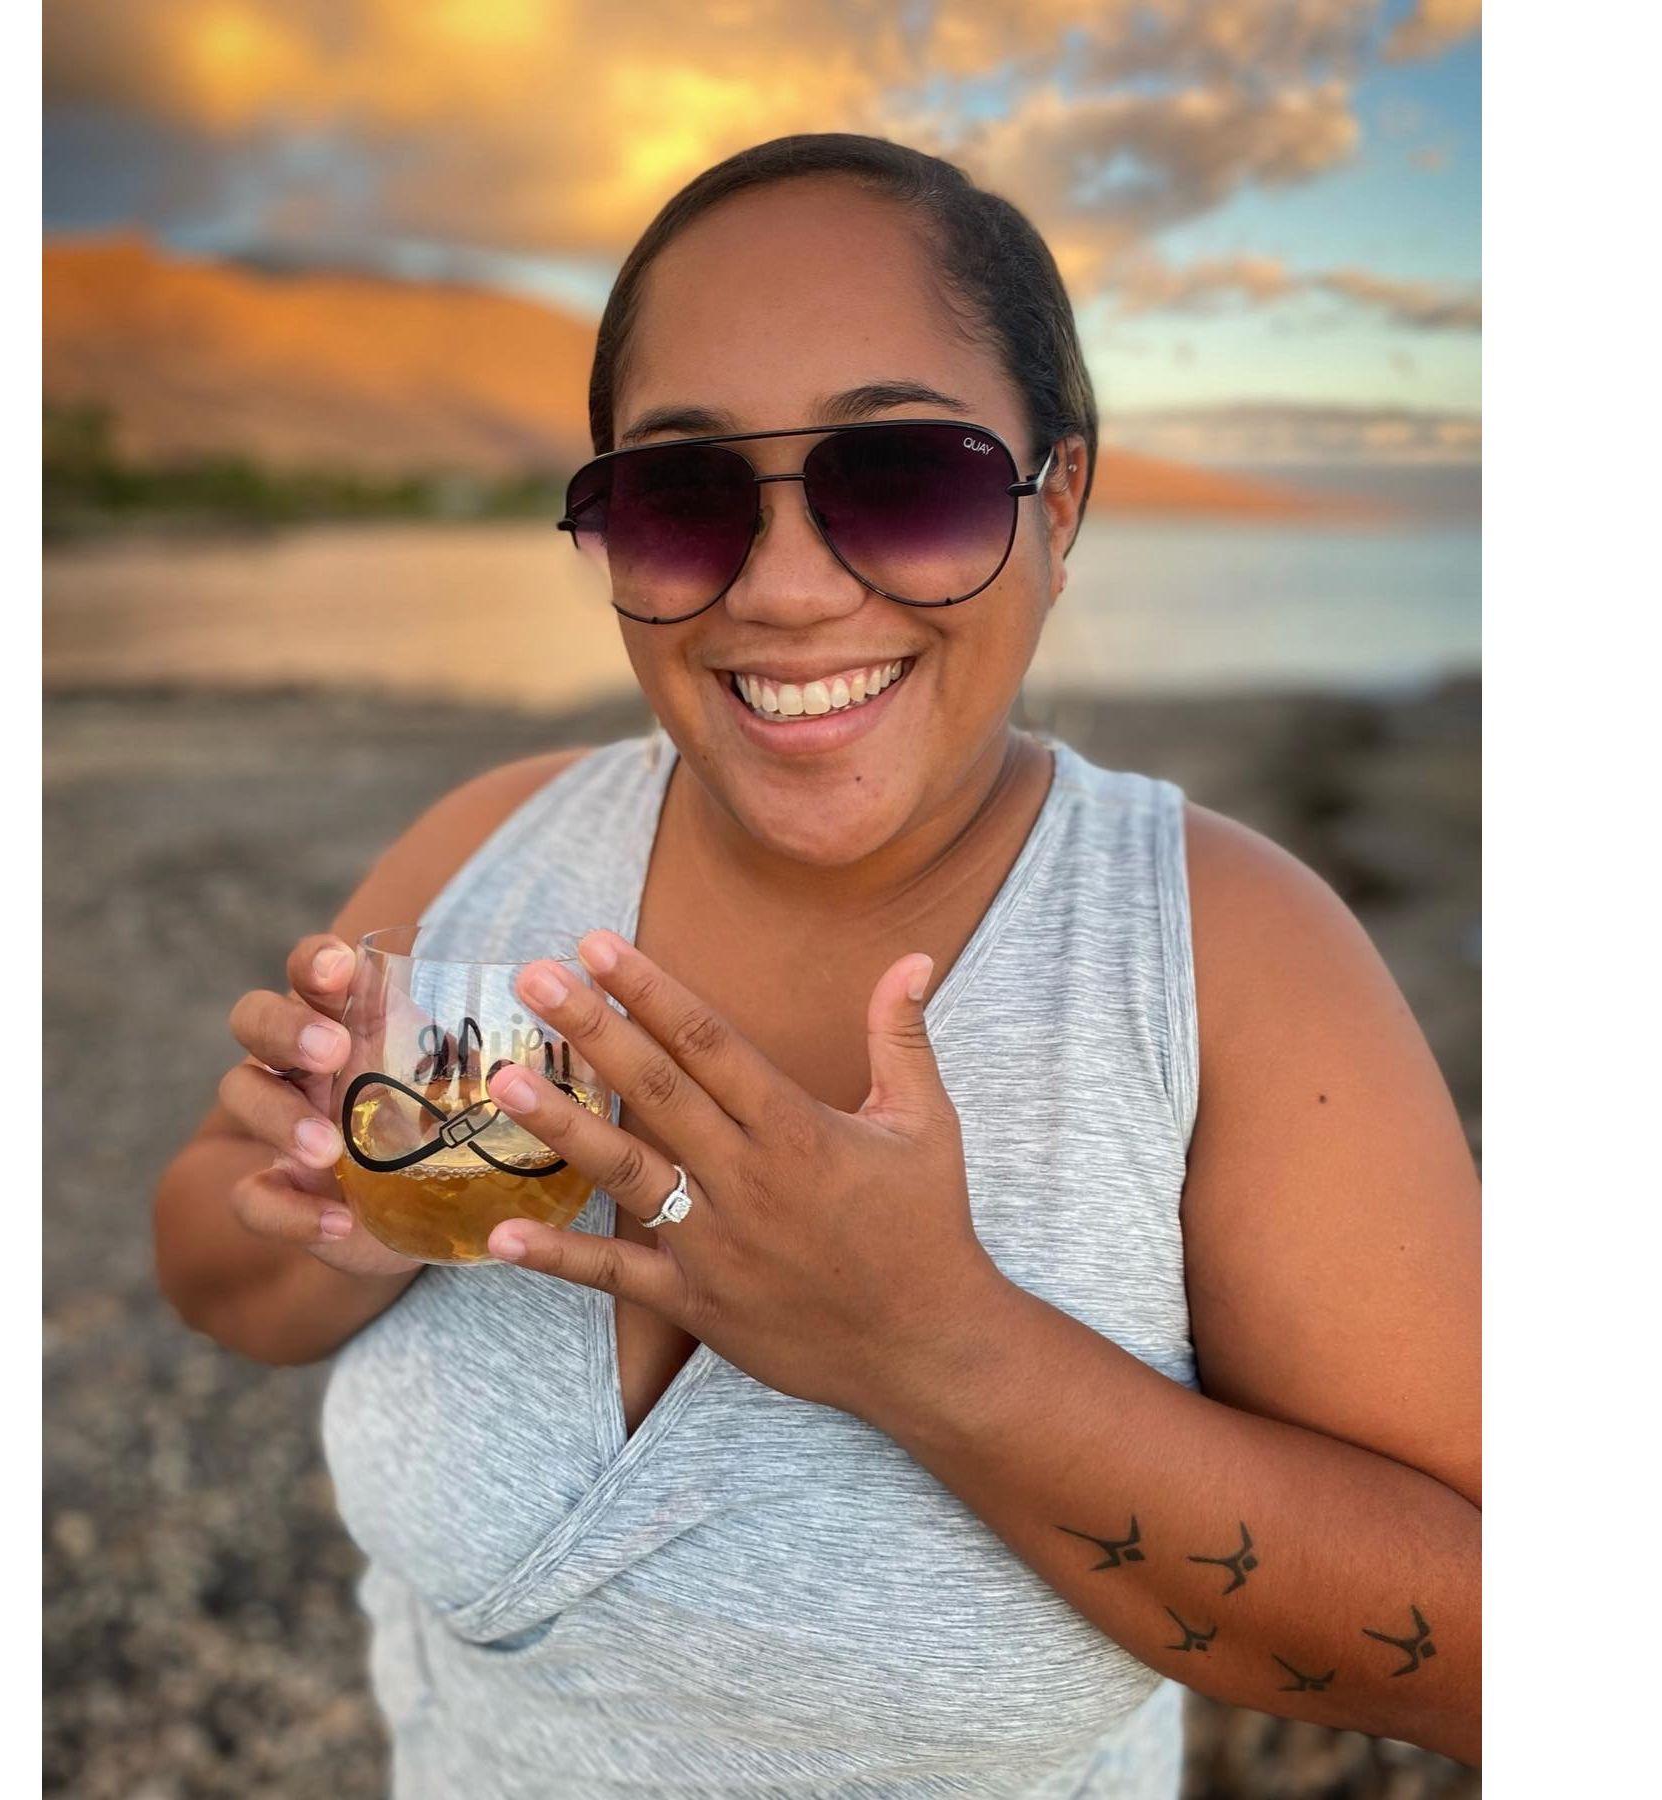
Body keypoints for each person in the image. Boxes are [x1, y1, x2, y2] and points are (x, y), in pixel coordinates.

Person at [153, 134, 1480, 1796]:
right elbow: (214, 1253)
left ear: (1057, 502)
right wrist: (340, 1226)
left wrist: (939, 1350)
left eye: (902, 477)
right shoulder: (483, 856)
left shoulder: (1226, 959)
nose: (782, 591)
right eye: (682, 494)